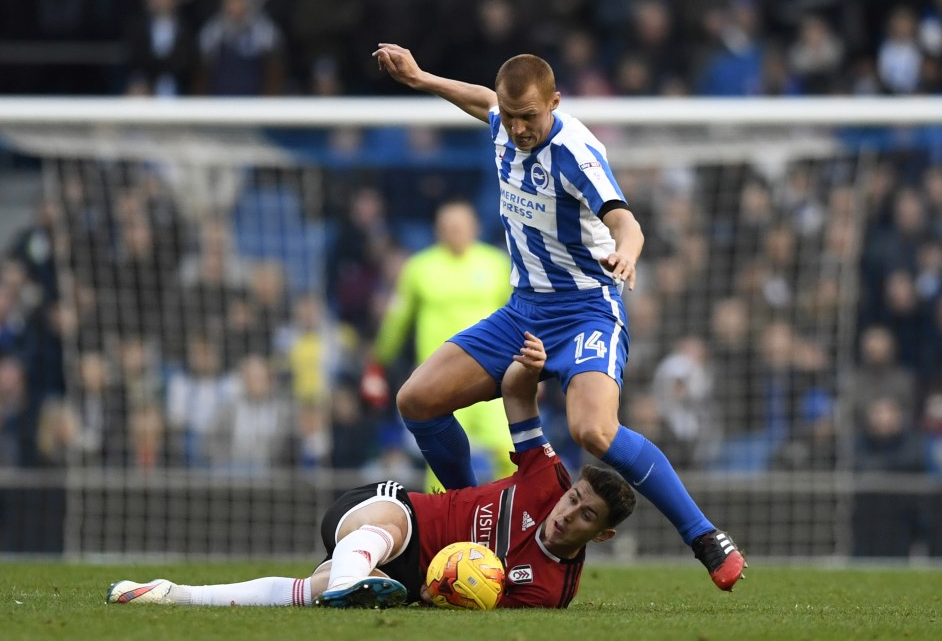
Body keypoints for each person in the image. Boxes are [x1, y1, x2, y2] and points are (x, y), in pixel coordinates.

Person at [370, 43, 745, 590]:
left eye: (529, 117)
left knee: (593, 429)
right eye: (512, 115)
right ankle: (472, 536)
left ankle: (704, 536)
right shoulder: (503, 118)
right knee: (417, 401)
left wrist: (628, 254)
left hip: (586, 309)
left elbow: (627, 221)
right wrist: (423, 77)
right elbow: (484, 103)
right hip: (524, 310)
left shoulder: (577, 151)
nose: (519, 128)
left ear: (555, 104)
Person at [106, 333, 636, 609]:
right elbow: (517, 393)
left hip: (405, 581)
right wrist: (531, 365)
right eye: (574, 499)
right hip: (391, 510)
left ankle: (173, 593)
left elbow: (484, 603)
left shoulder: (551, 592)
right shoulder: (547, 479)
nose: (568, 512)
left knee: (302, 593)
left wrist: (442, 596)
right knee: (389, 525)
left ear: (603, 534)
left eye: (585, 514)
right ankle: (350, 577)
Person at [363, 199, 514, 490]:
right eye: (448, 227)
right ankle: (444, 530)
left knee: (512, 450)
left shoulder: (496, 265)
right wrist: (378, 360)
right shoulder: (420, 268)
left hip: (491, 377)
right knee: (444, 462)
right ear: (438, 231)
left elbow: (518, 318)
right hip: (441, 380)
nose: (455, 232)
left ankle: (501, 517)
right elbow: (397, 319)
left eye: (461, 226)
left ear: (475, 227)